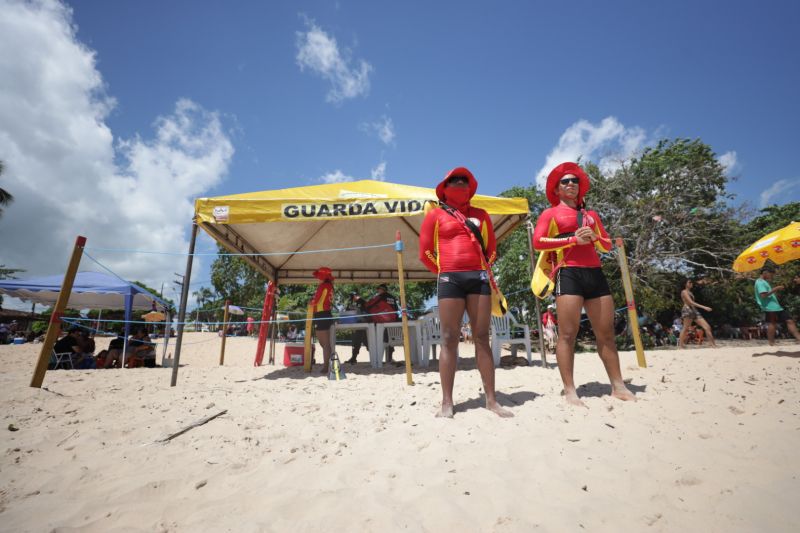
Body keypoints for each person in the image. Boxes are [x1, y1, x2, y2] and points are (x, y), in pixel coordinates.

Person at [532, 162, 635, 407]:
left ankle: (618, 385)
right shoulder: (550, 213)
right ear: (556, 189)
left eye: (574, 181)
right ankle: (570, 390)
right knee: (568, 334)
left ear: (580, 187)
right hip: (568, 274)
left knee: (607, 333)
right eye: (564, 181)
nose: (570, 184)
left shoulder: (592, 216)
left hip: (595, 274)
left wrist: (596, 236)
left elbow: (606, 246)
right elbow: (538, 242)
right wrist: (571, 240)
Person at [419, 166, 513, 418]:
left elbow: (492, 250)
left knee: (482, 337)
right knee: (449, 338)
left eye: (464, 180)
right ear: (444, 188)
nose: (460, 183)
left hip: (478, 279)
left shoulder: (482, 214)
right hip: (449, 279)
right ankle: (447, 402)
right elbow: (425, 252)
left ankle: (491, 400)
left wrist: (480, 268)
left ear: (471, 187)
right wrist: (444, 271)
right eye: (454, 180)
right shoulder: (435, 215)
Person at [754, 266, 800, 345]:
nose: (771, 276)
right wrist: (776, 289)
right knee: (773, 323)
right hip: (770, 307)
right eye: (771, 274)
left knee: (789, 321)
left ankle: (798, 338)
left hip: (774, 306)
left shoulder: (763, 282)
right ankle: (771, 342)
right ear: (765, 273)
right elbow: (763, 295)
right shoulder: (760, 282)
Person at [365, 284, 400, 364]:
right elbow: (396, 309)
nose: (378, 291)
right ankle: (390, 358)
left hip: (382, 322)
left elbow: (368, 305)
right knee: (391, 340)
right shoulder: (393, 298)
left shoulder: (380, 297)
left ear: (382, 289)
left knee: (382, 340)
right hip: (393, 322)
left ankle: (379, 359)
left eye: (378, 289)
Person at [310, 266, 335, 374]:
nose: (317, 279)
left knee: (324, 344)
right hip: (326, 313)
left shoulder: (323, 286)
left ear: (322, 277)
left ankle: (326, 367)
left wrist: (310, 302)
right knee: (325, 343)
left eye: (318, 276)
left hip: (321, 314)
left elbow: (315, 301)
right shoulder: (330, 286)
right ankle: (327, 365)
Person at [678, 279, 717, 348]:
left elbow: (692, 303)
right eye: (689, 282)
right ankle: (681, 345)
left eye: (691, 282)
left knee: (707, 327)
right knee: (686, 328)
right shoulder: (684, 292)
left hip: (694, 311)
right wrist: (704, 307)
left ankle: (713, 344)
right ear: (685, 284)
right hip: (687, 310)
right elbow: (691, 302)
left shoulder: (690, 292)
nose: (691, 283)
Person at [345, 291, 368, 364]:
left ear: (355, 295)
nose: (351, 298)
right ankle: (353, 358)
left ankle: (354, 358)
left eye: (352, 296)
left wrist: (352, 308)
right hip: (358, 324)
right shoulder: (354, 302)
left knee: (364, 341)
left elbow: (360, 312)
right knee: (357, 341)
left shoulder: (361, 301)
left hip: (363, 324)